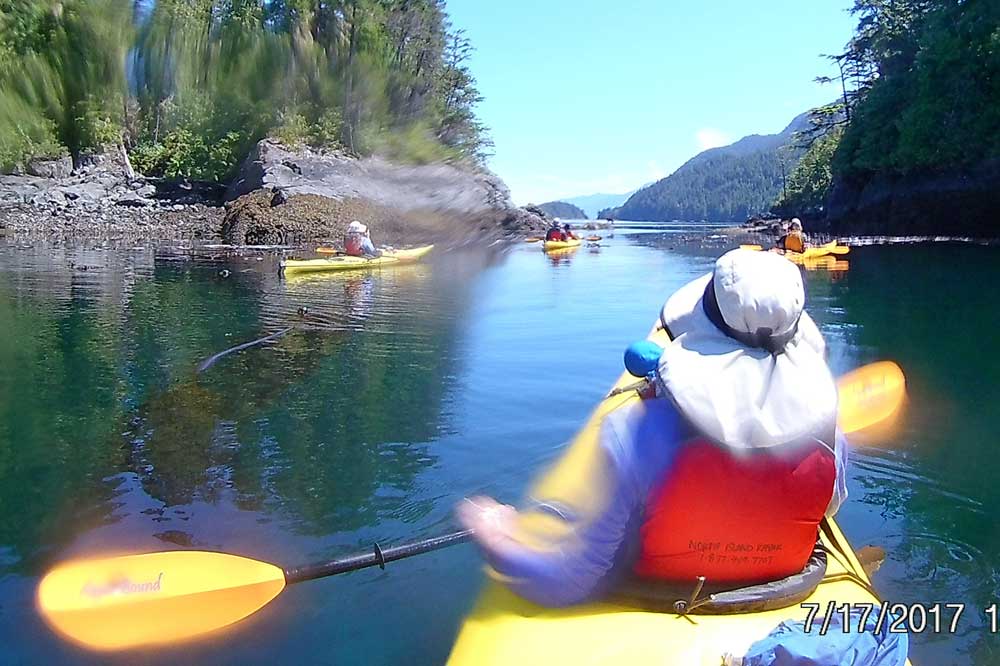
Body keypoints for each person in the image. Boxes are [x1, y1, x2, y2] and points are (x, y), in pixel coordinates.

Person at [456, 249, 847, 608]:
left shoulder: (633, 432)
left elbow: (570, 582)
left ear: (701, 327)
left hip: (664, 588)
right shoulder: (828, 427)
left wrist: (496, 536)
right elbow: (826, 505)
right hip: (785, 583)